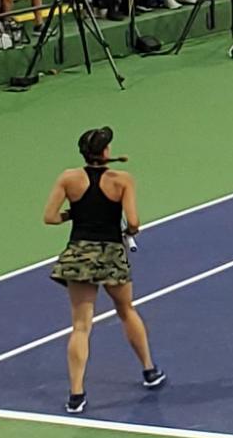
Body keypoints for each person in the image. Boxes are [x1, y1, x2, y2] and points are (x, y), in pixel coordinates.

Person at [44, 127, 161, 415]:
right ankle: (149, 370)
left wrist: (74, 213)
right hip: (110, 255)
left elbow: (50, 217)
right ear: (105, 152)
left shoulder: (68, 178)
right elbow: (133, 222)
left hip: (79, 255)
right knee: (126, 310)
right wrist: (128, 231)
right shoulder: (122, 180)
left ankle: (76, 395)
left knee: (81, 326)